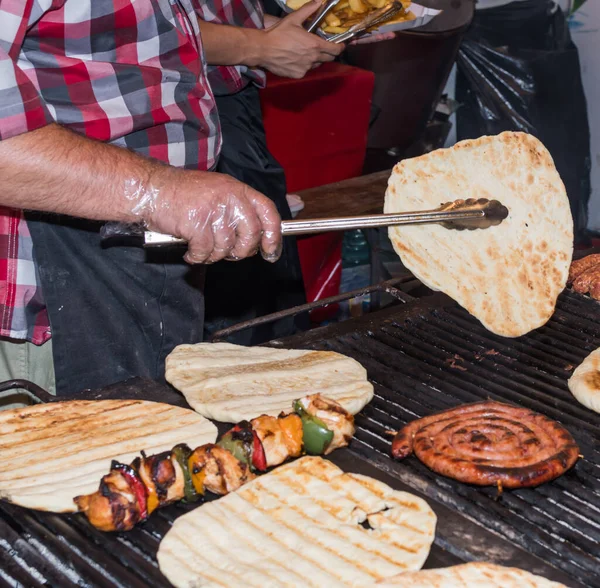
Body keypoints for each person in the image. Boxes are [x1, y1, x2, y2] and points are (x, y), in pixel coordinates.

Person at [0, 0, 344, 397]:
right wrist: (157, 191)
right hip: (58, 248)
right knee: (89, 445)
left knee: (154, 428)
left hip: (148, 236)